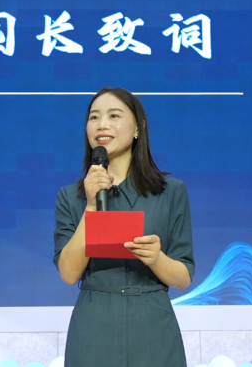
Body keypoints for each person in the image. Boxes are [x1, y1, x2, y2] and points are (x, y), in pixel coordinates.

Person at [53, 87, 195, 367]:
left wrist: (156, 258)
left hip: (153, 325)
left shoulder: (172, 192)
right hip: (94, 326)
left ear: (138, 128)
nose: (101, 125)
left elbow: (183, 277)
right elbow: (69, 274)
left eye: (114, 115)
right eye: (94, 117)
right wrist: (91, 205)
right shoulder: (70, 196)